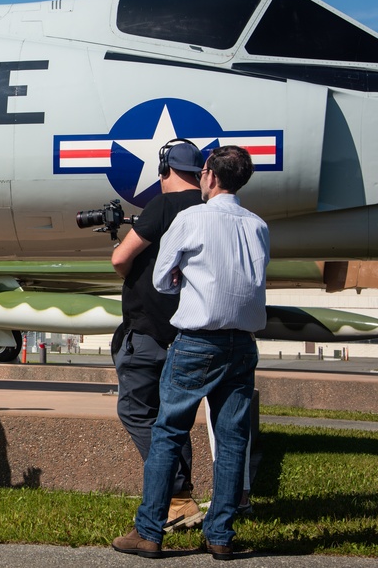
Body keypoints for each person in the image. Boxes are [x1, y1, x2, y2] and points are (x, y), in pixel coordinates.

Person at [112, 145, 269, 560]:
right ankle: (221, 535)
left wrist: (186, 279)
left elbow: (163, 279)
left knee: (168, 432)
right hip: (243, 344)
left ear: (211, 177)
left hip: (198, 340)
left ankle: (149, 530)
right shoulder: (257, 225)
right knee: (233, 438)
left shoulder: (189, 217)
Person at [110, 138, 205, 533]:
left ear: (164, 169)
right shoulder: (206, 210)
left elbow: (120, 258)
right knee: (173, 417)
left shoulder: (162, 206)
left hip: (147, 328)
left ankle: (176, 495)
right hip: (186, 331)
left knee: (135, 410)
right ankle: (183, 498)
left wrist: (122, 253)